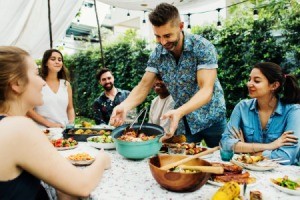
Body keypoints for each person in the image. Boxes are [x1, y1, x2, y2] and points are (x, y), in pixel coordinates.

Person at [0, 46, 111, 199]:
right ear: (16, 83)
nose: (43, 83)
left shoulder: (6, 125)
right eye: (36, 74)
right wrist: (102, 159)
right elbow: (82, 185)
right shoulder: (17, 128)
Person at [110, 3, 226, 147]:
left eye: (167, 35)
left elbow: (206, 90)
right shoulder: (157, 54)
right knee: (182, 163)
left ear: (181, 26)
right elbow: (144, 86)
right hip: (183, 120)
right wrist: (125, 106)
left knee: (222, 159)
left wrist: (179, 111)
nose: (163, 42)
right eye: (158, 36)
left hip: (212, 117)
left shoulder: (202, 47)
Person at [220, 62, 300, 165]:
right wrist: (270, 146)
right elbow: (226, 144)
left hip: (282, 176)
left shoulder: (293, 112)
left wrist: (245, 150)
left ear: (274, 85)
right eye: (249, 79)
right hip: (248, 171)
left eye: (256, 81)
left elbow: (286, 157)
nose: (249, 84)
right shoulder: (242, 107)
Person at [27, 49, 75, 128]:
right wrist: (49, 124)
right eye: (53, 59)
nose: (57, 62)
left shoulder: (66, 85)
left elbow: (70, 108)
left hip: (63, 131)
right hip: (43, 131)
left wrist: (71, 122)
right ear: (46, 63)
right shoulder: (37, 83)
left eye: (60, 60)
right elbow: (29, 110)